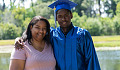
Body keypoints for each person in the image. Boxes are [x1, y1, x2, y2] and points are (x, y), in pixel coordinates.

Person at [15, 0, 101, 70]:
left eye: (66, 15)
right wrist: (20, 39)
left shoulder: (82, 35)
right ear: (56, 18)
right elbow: (36, 34)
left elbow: (91, 61)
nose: (63, 19)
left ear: (71, 15)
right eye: (60, 16)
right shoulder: (52, 34)